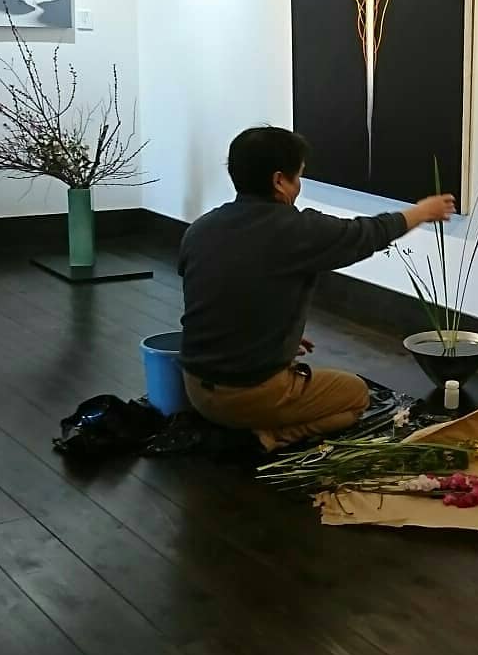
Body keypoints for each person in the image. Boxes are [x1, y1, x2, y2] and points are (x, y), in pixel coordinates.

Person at [178, 126, 455, 451]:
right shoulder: (293, 230)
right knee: (355, 396)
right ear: (279, 181)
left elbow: (219, 298)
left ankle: (251, 417)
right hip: (247, 395)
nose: (299, 186)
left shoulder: (200, 229)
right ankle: (269, 435)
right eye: (298, 176)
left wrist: (273, 337)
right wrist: (422, 212)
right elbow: (367, 233)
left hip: (194, 388)